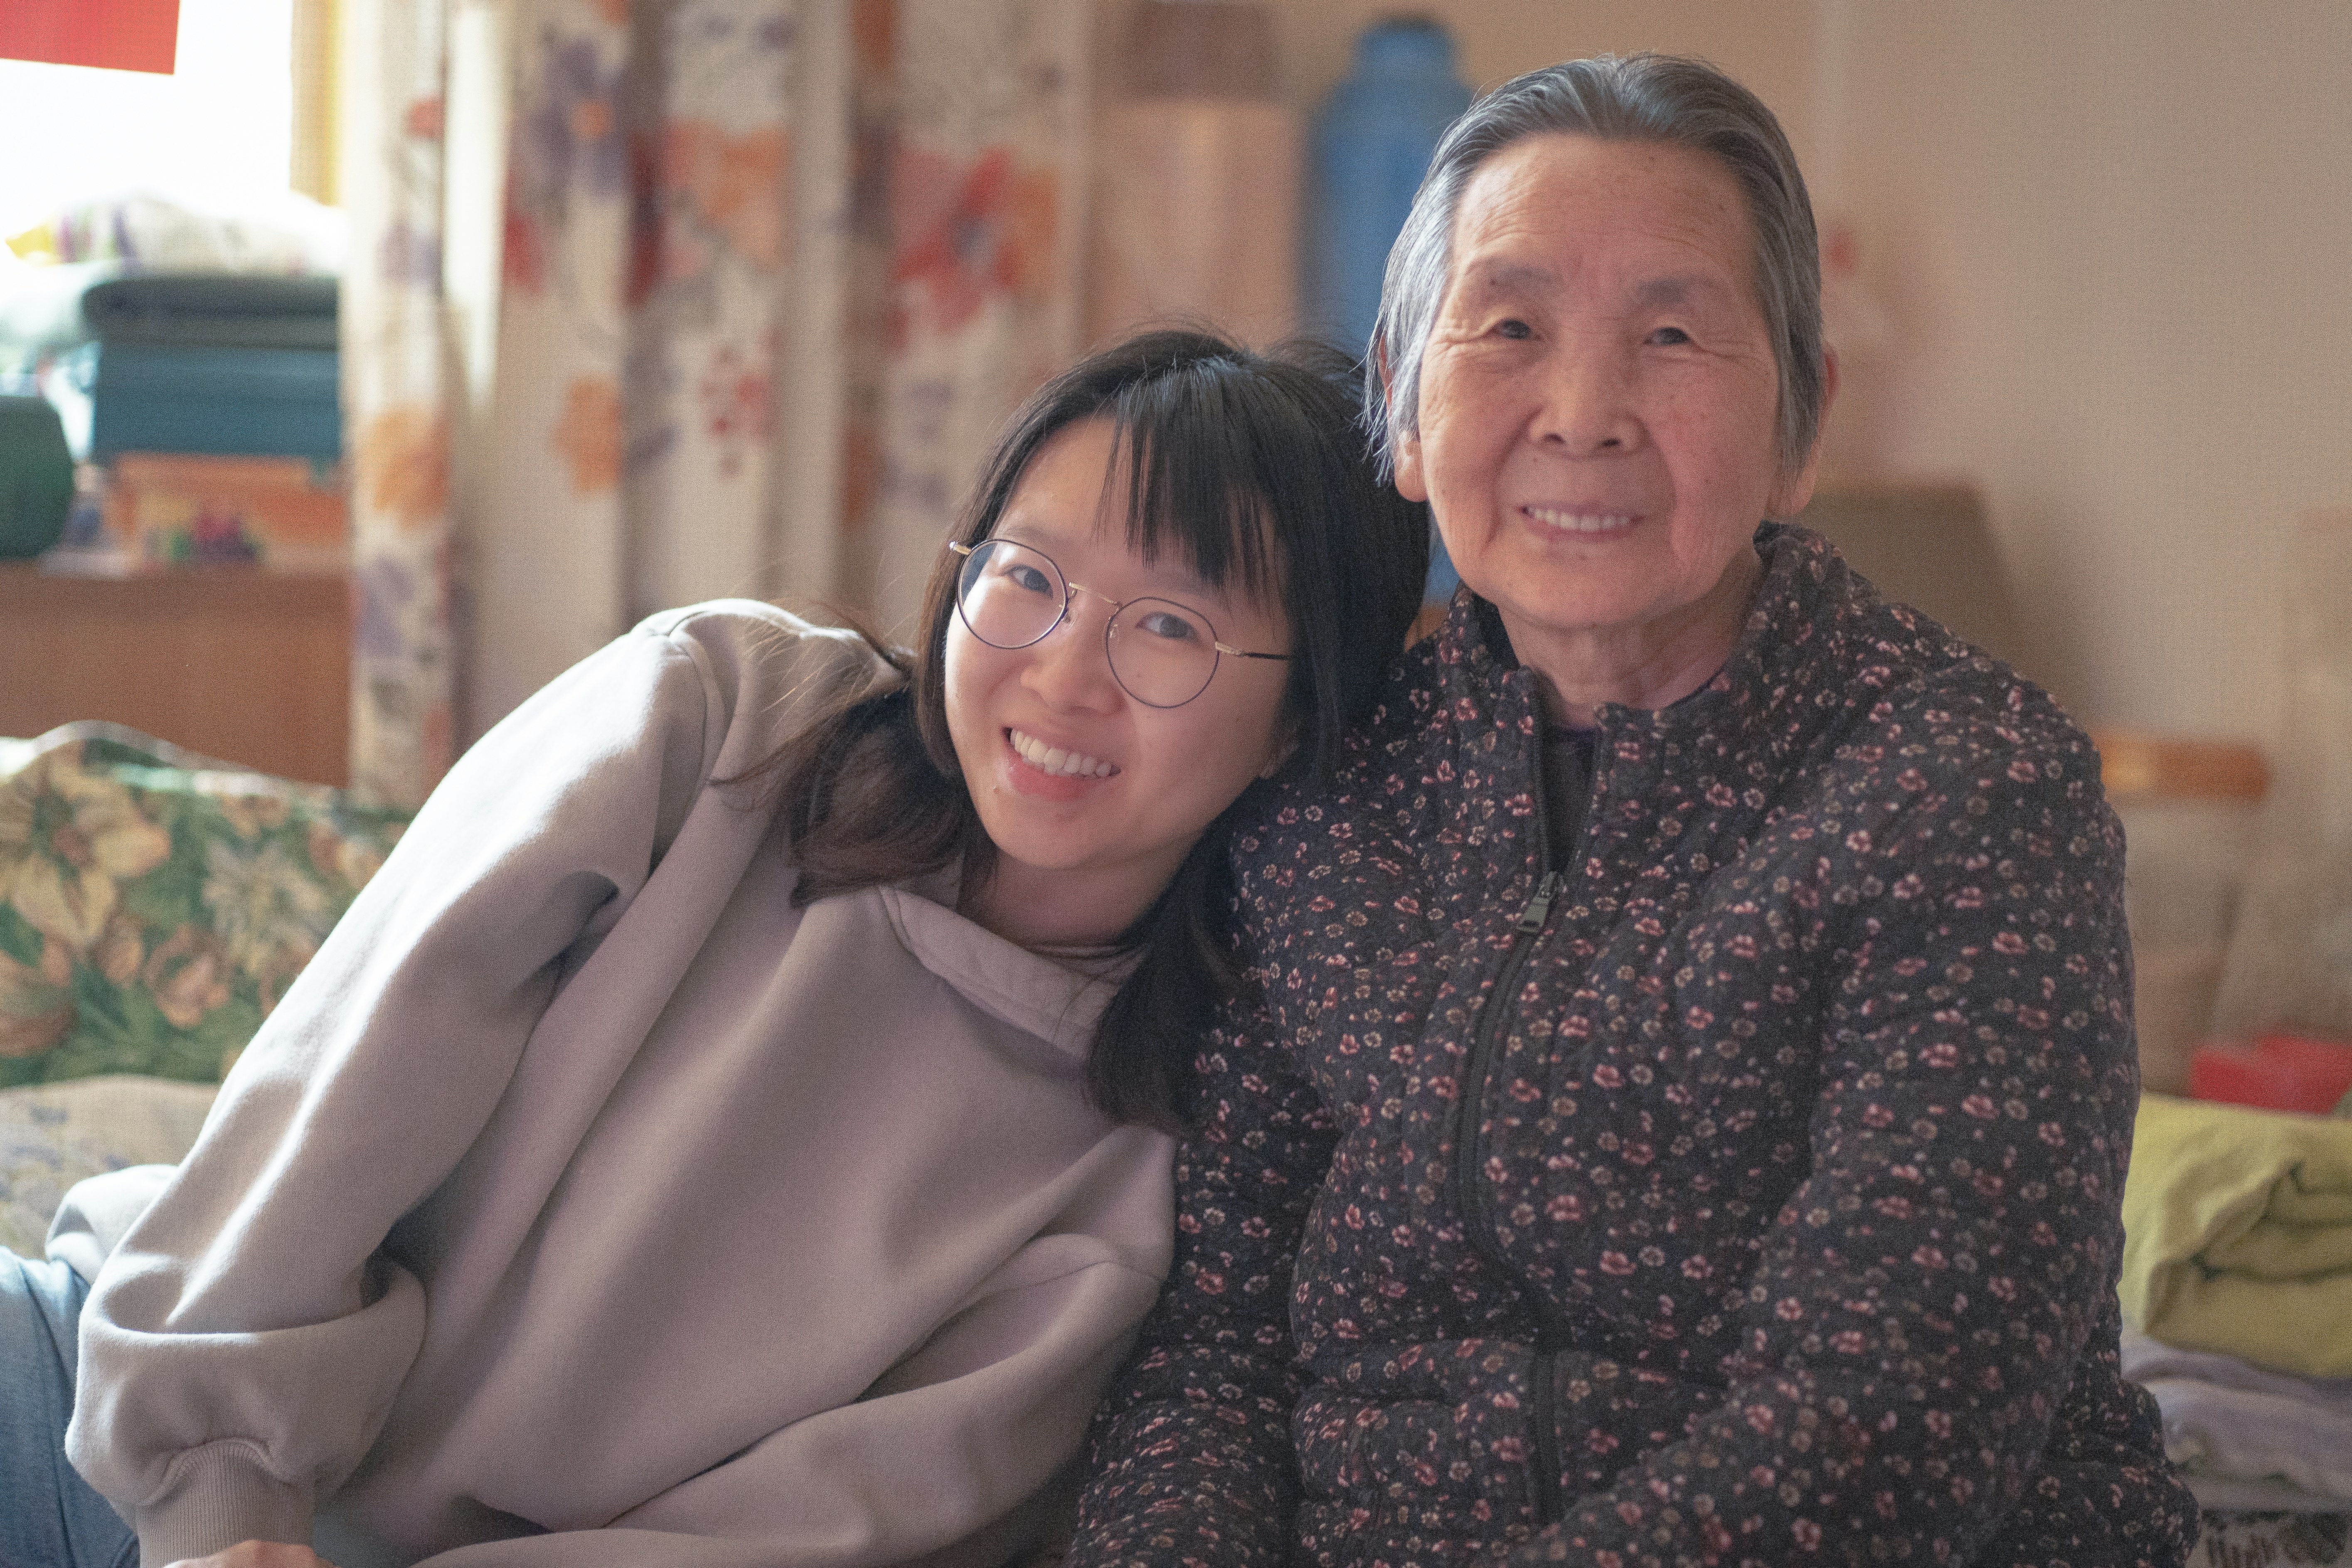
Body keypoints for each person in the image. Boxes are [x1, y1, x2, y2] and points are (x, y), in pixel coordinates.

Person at [0, 329, 1429, 1568]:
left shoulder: (1141, 1171)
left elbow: (806, 1536)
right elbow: (337, 1107)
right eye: (1027, 578)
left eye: (1170, 628)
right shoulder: (725, 719)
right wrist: (221, 1503)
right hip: (106, 1415)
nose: (1059, 673)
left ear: (1297, 724)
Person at [1067, 55, 2198, 1568]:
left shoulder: (1963, 790)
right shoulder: (1328, 794)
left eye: (1670, 334)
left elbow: (1891, 1425)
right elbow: (1213, 1351)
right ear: (1402, 401)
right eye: (1510, 327)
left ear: (1802, 421)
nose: (1582, 412)